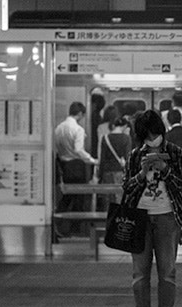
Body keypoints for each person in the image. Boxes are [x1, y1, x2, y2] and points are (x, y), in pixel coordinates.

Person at [122, 110, 182, 307]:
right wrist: (142, 174)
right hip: (139, 217)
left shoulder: (176, 152)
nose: (152, 140)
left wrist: (165, 170)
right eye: (147, 136)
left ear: (162, 132)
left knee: (167, 269)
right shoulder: (134, 155)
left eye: (155, 134)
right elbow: (127, 187)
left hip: (168, 216)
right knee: (140, 270)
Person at [53, 101, 98, 236]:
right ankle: (75, 229)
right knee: (79, 199)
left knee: (67, 197)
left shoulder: (59, 128)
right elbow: (78, 150)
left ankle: (58, 224)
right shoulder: (78, 129)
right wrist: (91, 159)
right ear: (79, 114)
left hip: (63, 165)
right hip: (77, 166)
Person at [95, 111, 132, 210]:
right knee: (119, 198)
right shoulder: (127, 138)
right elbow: (128, 157)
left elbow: (102, 159)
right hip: (120, 171)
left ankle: (106, 220)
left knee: (107, 198)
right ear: (124, 126)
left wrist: (100, 174)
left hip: (107, 171)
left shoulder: (105, 138)